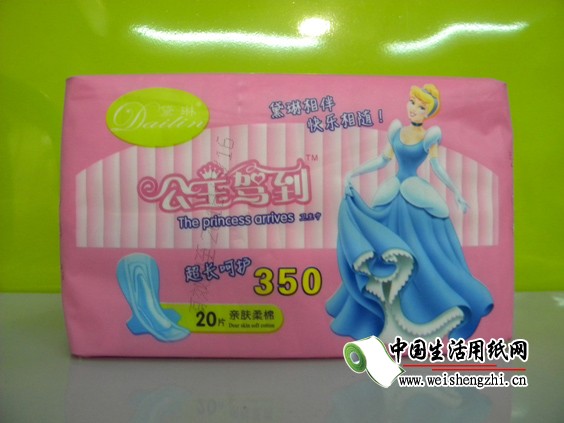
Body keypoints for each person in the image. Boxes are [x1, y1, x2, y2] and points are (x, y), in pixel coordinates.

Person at [326, 84, 493, 342]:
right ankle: (386, 317)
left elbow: (436, 167)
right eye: (412, 103)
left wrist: (456, 192)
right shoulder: (396, 131)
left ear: (428, 113)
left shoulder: (429, 137)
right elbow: (382, 160)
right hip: (392, 192)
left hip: (415, 194)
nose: (414, 109)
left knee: (422, 254)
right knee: (384, 250)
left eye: (421, 107)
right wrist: (353, 173)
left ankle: (423, 308)